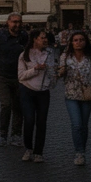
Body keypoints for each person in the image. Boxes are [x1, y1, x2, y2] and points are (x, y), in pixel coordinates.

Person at [57, 31, 91, 166]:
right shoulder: (65, 57)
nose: (78, 42)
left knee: (84, 125)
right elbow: (59, 73)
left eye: (81, 40)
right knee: (76, 124)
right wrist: (60, 72)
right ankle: (79, 152)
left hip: (87, 95)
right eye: (75, 40)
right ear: (71, 43)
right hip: (71, 94)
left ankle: (82, 150)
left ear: (86, 42)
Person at [0, 13, 28, 147]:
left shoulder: (25, 37)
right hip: (2, 76)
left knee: (18, 106)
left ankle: (16, 135)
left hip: (20, 77)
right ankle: (3, 135)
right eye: (14, 22)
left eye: (19, 22)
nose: (17, 25)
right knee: (6, 104)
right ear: (8, 22)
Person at [17, 30, 56, 163]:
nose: (45, 40)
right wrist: (35, 69)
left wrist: (54, 79)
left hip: (43, 92)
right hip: (27, 90)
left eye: (46, 38)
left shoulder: (50, 54)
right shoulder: (24, 55)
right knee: (29, 120)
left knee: (41, 122)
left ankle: (38, 152)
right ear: (35, 39)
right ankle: (28, 148)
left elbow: (52, 72)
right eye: (42, 38)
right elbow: (21, 76)